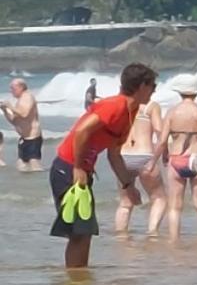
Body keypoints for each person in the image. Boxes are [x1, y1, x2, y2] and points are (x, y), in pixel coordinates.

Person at [50, 64, 157, 268]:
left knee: (84, 232)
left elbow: (114, 154)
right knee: (79, 232)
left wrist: (128, 186)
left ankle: (78, 278)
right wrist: (79, 167)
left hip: (81, 171)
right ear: (142, 85)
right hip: (67, 168)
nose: (154, 90)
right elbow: (82, 131)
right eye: (153, 85)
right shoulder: (115, 105)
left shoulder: (130, 112)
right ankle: (75, 283)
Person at [156, 74, 197, 239]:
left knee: (174, 206)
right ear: (195, 93)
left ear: (179, 92)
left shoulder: (172, 112)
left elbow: (162, 140)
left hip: (177, 158)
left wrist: (157, 159)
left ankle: (174, 240)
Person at [113, 93, 165, 235]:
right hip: (144, 154)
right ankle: (152, 232)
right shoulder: (151, 106)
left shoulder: (123, 105)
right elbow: (160, 132)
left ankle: (121, 236)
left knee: (125, 202)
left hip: (123, 155)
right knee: (158, 197)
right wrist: (164, 154)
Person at [2, 79, 44, 172]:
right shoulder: (20, 101)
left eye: (13, 88)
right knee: (21, 165)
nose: (11, 91)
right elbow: (14, 121)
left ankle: (40, 183)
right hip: (24, 139)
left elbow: (24, 114)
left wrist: (10, 106)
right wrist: (4, 110)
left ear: (21, 87)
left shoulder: (27, 97)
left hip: (33, 138)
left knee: (34, 165)